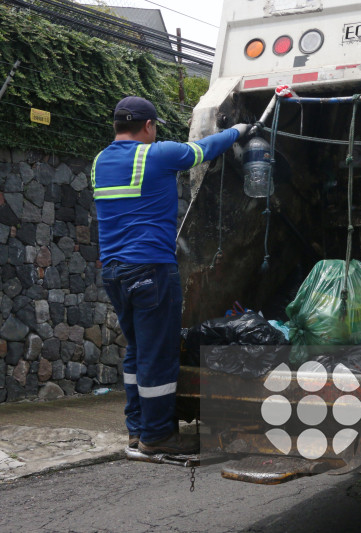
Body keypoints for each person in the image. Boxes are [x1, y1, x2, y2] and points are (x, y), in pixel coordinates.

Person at [92, 96, 248, 455]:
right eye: (155, 127)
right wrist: (239, 130)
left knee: (137, 351)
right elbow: (203, 149)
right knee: (159, 355)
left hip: (115, 272)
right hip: (150, 270)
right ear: (148, 126)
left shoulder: (99, 162)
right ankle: (158, 435)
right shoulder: (156, 154)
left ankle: (137, 429)